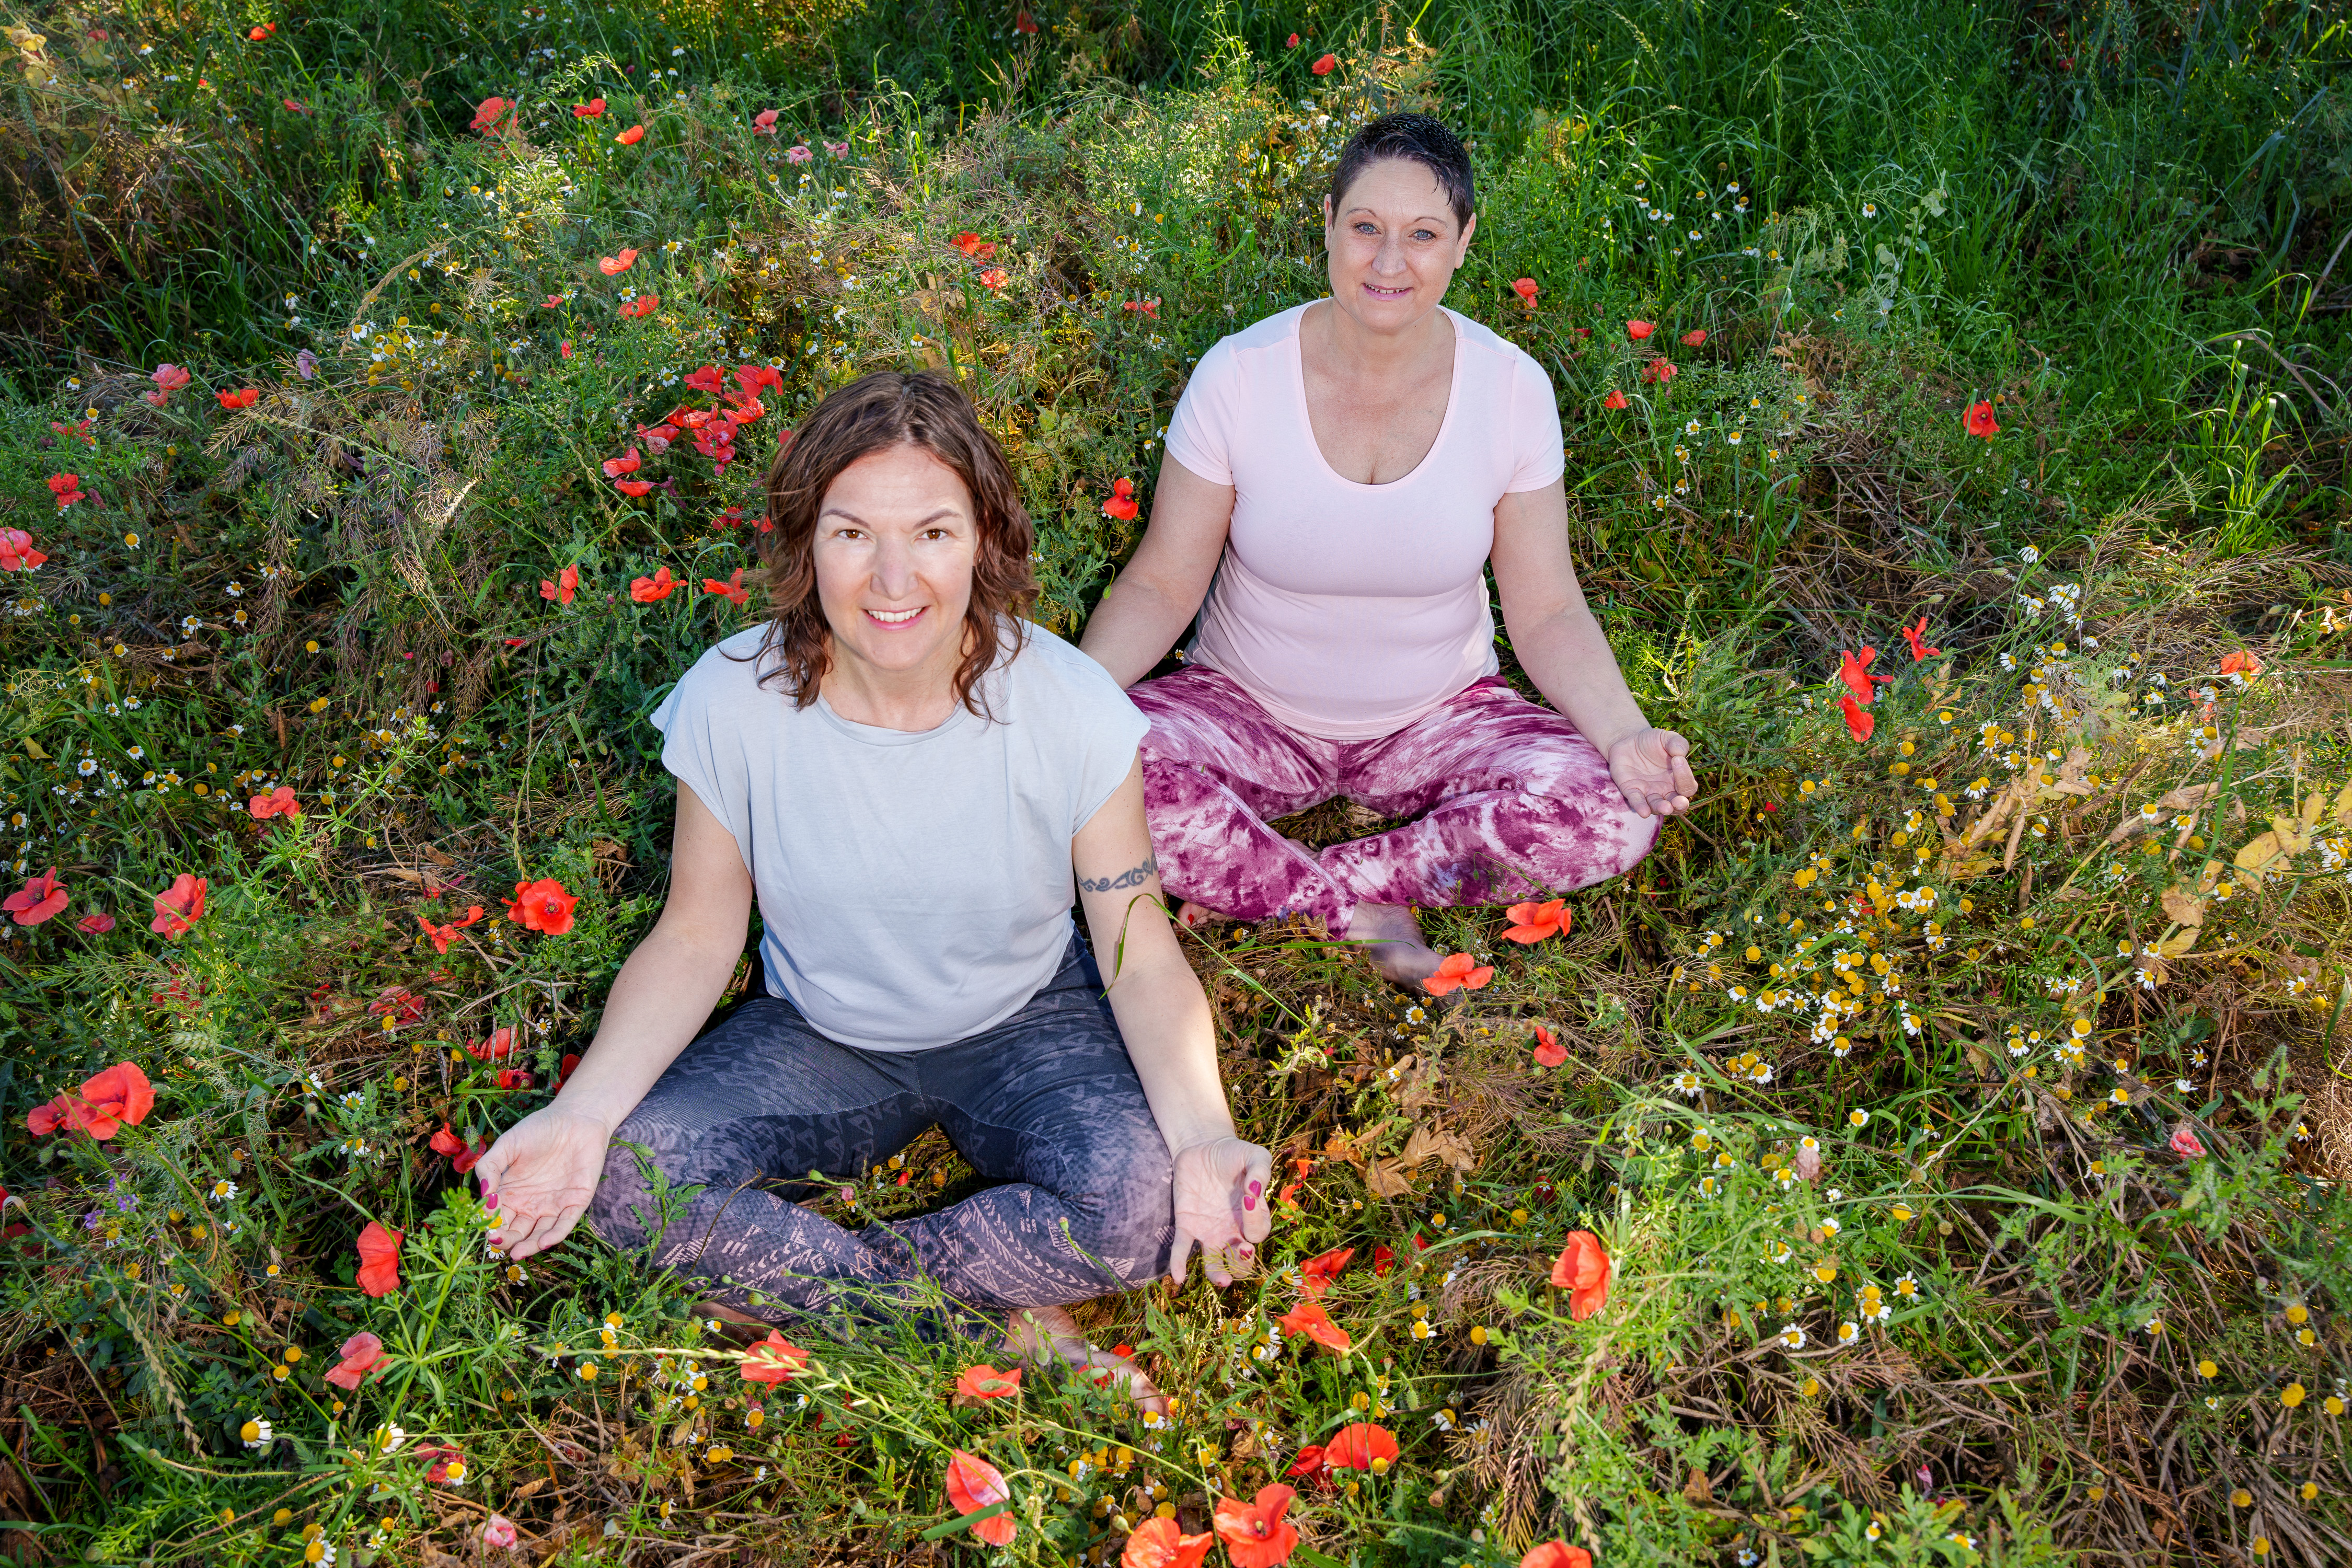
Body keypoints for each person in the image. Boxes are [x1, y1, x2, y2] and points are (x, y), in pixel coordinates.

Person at [468, 371, 1272, 1389]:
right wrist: (580, 1117)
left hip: (1028, 1018)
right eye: (854, 535)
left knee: (1147, 1204)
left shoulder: (1068, 703)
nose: (894, 579)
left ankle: (812, 1299)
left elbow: (1136, 946)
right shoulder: (734, 700)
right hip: (820, 1035)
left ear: (983, 537)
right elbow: (696, 937)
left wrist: (1207, 1136)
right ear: (808, 542)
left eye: (932, 532)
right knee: (626, 1182)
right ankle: (994, 1328)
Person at [1079, 112, 1698, 988]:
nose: (1388, 262)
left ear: (1463, 243)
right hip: (1246, 711)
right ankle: (1350, 912)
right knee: (1100, 774)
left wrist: (1628, 733)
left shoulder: (1513, 391)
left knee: (1610, 814)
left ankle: (1332, 882)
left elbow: (1549, 609)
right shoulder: (1240, 375)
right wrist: (1070, 704)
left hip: (1440, 720)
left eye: (1423, 235)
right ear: (1328, 222)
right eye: (1366, 228)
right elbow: (1163, 581)